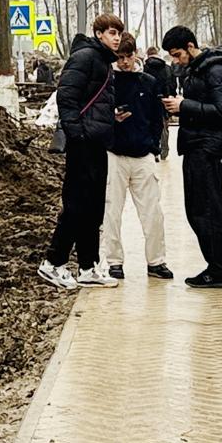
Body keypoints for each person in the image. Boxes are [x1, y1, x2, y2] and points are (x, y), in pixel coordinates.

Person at [39, 15, 122, 290]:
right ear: (99, 34)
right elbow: (66, 97)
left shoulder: (103, 62)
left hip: (97, 143)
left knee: (94, 207)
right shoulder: (85, 57)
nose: (117, 38)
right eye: (112, 32)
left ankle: (88, 266)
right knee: (76, 205)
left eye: (119, 33)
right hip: (84, 144)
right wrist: (78, 134)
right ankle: (53, 262)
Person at [161, 25, 222, 288]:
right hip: (199, 146)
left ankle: (218, 270)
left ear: (191, 47)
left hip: (210, 148)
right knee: (198, 209)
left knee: (208, 210)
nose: (175, 61)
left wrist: (184, 106)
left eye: (177, 54)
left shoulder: (216, 71)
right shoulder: (198, 70)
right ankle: (218, 267)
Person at [102, 31, 172, 281]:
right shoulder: (108, 82)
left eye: (128, 56)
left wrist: (154, 147)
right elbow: (99, 115)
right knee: (112, 210)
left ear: (135, 55)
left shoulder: (148, 82)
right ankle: (114, 261)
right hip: (115, 154)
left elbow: (156, 118)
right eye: (119, 57)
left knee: (153, 211)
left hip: (142, 154)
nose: (124, 62)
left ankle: (156, 261)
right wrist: (112, 119)